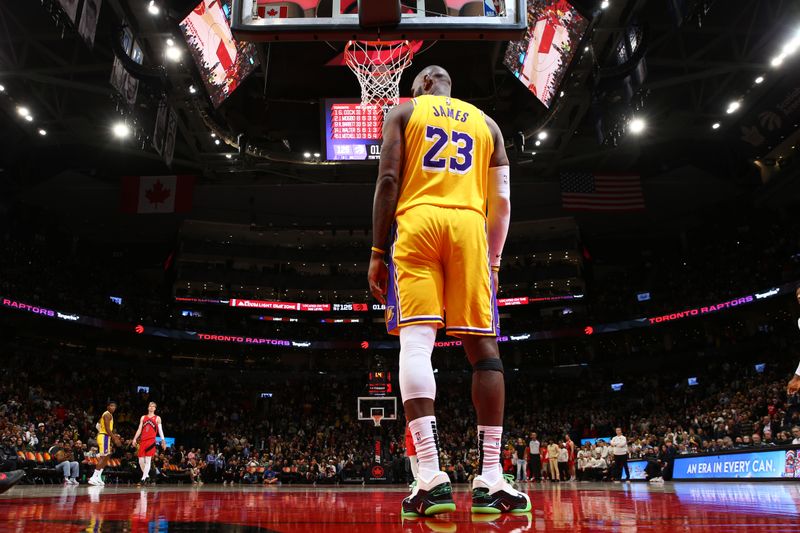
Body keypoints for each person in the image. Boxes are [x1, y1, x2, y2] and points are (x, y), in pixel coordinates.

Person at [369, 65, 526, 516]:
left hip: (417, 224)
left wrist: (379, 250)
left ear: (420, 86)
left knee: (416, 344)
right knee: (485, 352)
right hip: (469, 228)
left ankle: (431, 479)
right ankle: (491, 479)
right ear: (452, 88)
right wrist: (493, 261)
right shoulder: (487, 124)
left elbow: (387, 182)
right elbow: (503, 203)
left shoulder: (404, 110)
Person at [131, 402, 167, 486]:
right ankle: (146, 476)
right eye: (150, 406)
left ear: (155, 408)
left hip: (151, 441)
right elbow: (139, 429)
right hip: (142, 441)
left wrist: (163, 441)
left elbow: (160, 430)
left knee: (148, 460)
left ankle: (143, 479)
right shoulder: (143, 417)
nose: (151, 407)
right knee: (140, 461)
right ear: (148, 408)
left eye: (153, 406)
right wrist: (134, 438)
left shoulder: (157, 418)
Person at [88, 401, 121, 486]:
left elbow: (97, 425)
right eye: (111, 406)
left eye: (114, 406)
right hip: (104, 437)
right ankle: (93, 477)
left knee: (107, 456)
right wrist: (115, 438)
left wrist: (102, 432)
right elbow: (106, 428)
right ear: (107, 407)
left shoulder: (108, 415)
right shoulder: (107, 414)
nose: (113, 407)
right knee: (103, 456)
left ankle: (98, 476)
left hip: (105, 436)